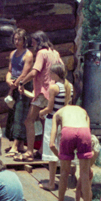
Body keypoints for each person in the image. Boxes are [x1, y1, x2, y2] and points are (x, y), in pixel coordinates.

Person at [16, 31, 60, 161]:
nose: (32, 45)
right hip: (53, 91)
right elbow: (61, 68)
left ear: (39, 41)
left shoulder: (42, 53)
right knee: (45, 121)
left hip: (42, 92)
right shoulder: (55, 53)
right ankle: (42, 150)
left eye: (34, 42)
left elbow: (35, 72)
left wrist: (22, 82)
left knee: (29, 120)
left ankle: (29, 151)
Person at [49, 104, 96, 201]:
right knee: (84, 174)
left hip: (67, 133)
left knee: (64, 172)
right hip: (84, 132)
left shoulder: (58, 113)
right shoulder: (83, 111)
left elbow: (51, 145)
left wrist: (61, 157)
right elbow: (88, 134)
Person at [38, 62, 72, 190]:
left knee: (52, 155)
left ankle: (51, 183)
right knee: (64, 150)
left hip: (53, 121)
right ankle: (65, 181)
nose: (49, 74)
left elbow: (50, 108)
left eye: (51, 73)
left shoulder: (54, 88)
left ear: (56, 74)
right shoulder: (69, 87)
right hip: (65, 122)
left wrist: (41, 112)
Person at [4, 28, 34, 157]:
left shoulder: (28, 55)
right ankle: (20, 144)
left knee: (20, 114)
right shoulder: (12, 54)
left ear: (24, 40)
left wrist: (16, 84)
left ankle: (15, 146)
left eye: (19, 39)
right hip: (13, 85)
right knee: (13, 113)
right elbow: (10, 70)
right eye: (15, 39)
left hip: (23, 86)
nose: (16, 42)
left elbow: (25, 73)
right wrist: (8, 80)